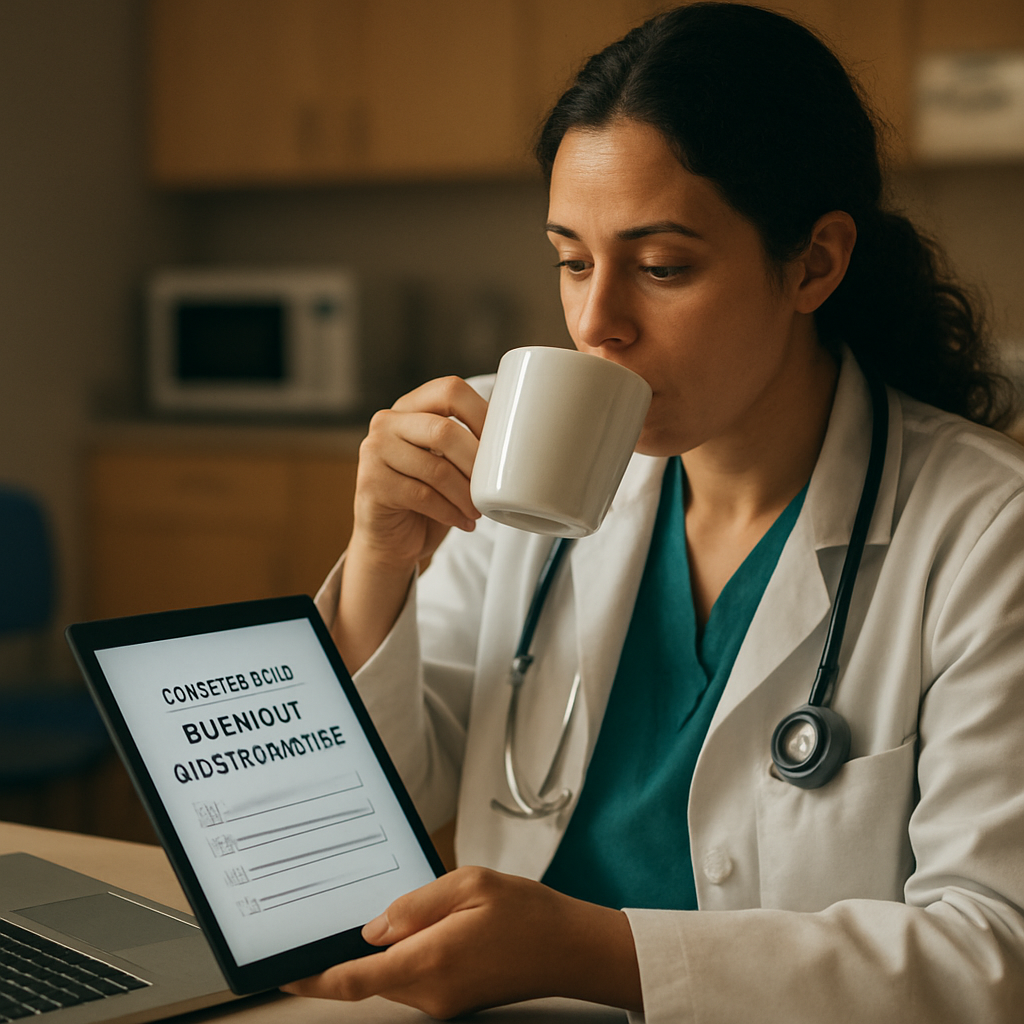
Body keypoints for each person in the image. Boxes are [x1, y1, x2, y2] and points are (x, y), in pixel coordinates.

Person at [285, 4, 1024, 1021]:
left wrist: (590, 950)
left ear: (813, 262)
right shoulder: (507, 459)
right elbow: (360, 830)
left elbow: (991, 953)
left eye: (661, 267)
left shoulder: (986, 530)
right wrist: (378, 561)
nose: (597, 325)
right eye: (572, 260)